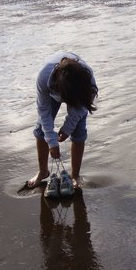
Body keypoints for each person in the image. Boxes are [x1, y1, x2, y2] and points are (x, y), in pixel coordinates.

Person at [28, 52, 98, 189]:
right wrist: (51, 142)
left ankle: (75, 175)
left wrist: (67, 128)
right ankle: (43, 171)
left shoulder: (87, 82)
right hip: (53, 91)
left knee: (79, 131)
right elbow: (43, 111)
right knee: (41, 128)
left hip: (79, 94)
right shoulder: (44, 78)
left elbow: (81, 108)